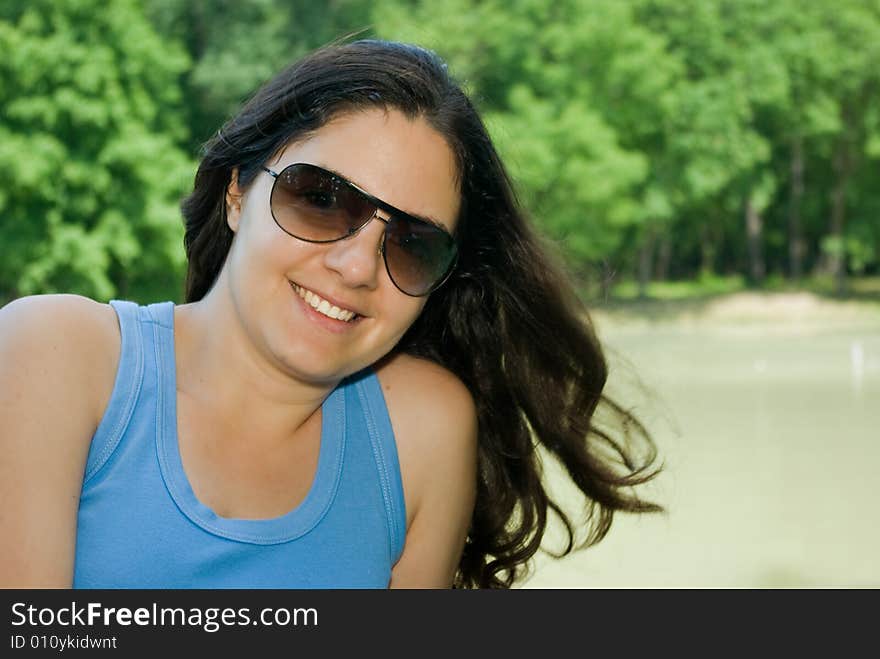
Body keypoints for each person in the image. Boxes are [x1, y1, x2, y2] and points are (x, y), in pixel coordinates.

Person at [0, 39, 661, 589]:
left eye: (413, 243)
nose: (357, 266)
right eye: (320, 198)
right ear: (239, 191)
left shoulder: (422, 434)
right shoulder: (56, 355)